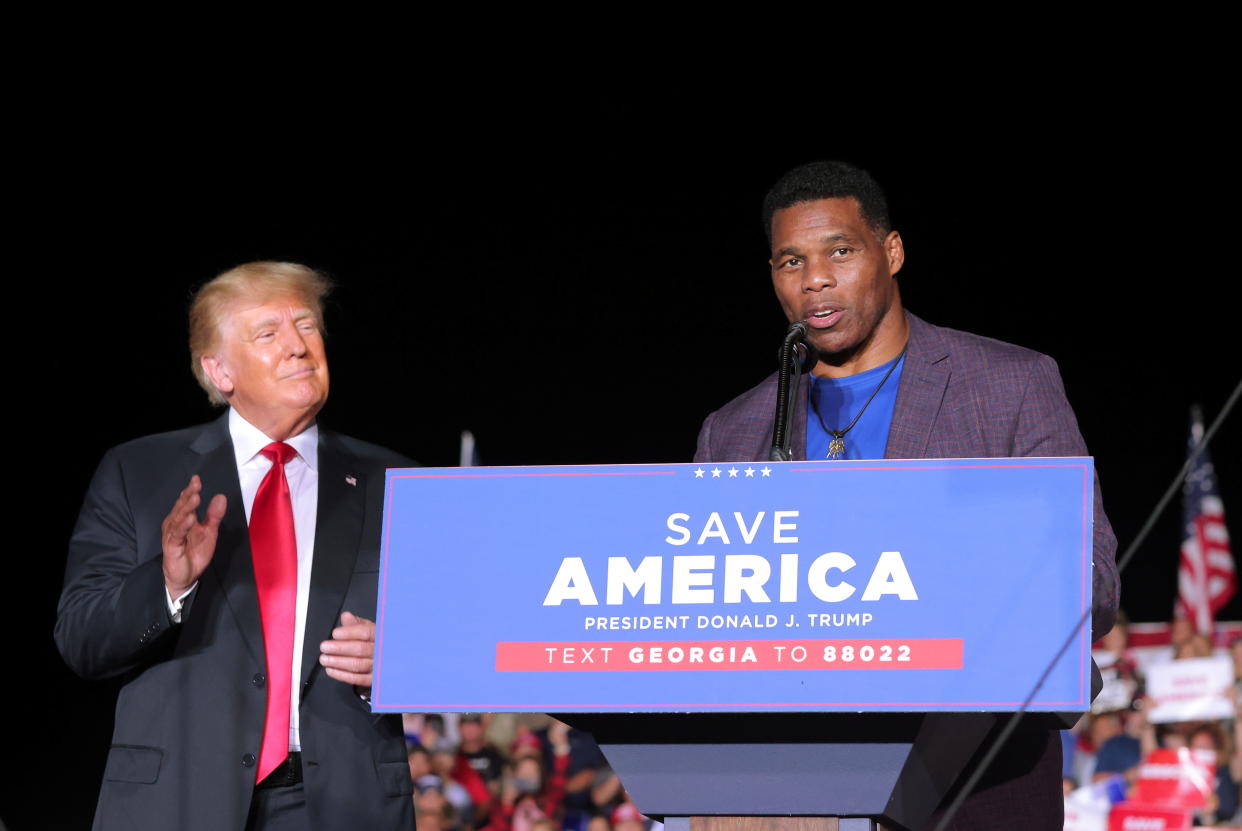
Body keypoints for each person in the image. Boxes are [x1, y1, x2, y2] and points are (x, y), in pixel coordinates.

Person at [693, 161, 1121, 830]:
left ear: (891, 251)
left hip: (975, 778)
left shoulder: (1009, 385)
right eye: (790, 260)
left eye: (840, 249)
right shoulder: (733, 430)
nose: (816, 279)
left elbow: (1090, 580)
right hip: (786, 778)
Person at [55, 262, 415, 830]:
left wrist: (403, 660)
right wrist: (168, 585)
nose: (298, 347)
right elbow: (81, 640)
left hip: (344, 801)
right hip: (177, 798)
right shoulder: (138, 472)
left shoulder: (397, 481)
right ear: (218, 370)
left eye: (307, 326)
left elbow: (460, 640)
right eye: (268, 334)